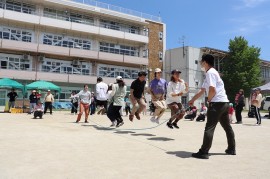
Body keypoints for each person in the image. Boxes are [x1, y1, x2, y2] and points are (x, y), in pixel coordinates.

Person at [188, 54, 236, 159]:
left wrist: (209, 100)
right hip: (225, 104)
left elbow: (212, 90)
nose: (201, 64)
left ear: (205, 62)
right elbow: (202, 91)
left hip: (217, 104)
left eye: (201, 62)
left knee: (209, 128)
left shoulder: (210, 73)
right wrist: (192, 100)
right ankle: (231, 149)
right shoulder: (211, 73)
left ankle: (204, 152)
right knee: (227, 127)